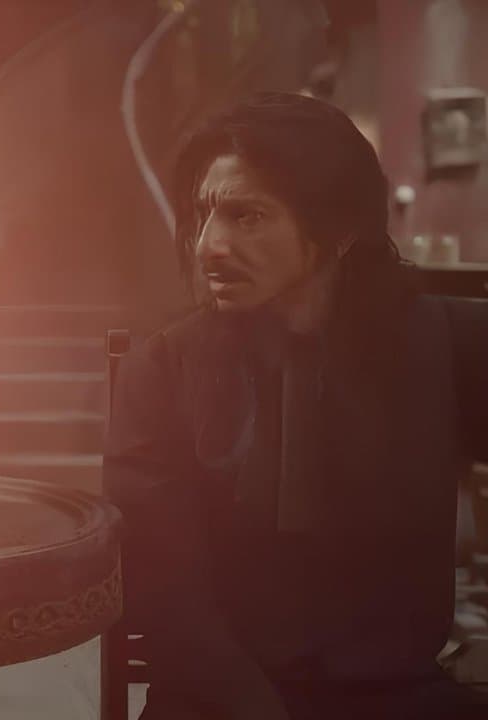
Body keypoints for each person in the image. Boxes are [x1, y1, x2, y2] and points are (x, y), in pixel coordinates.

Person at [104, 92, 488, 720]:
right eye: (204, 214)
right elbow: (167, 599)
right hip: (216, 702)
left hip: (400, 697)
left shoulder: (447, 343)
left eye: (248, 216)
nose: (209, 247)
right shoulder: (164, 370)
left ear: (340, 230)